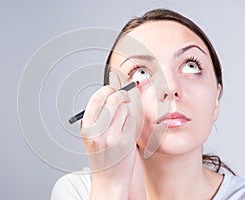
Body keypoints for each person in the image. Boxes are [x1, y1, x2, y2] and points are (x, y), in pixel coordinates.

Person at [51, 9, 245, 200]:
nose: (170, 88)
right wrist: (111, 186)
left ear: (216, 100)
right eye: (141, 73)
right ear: (114, 106)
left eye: (190, 66)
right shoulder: (77, 192)